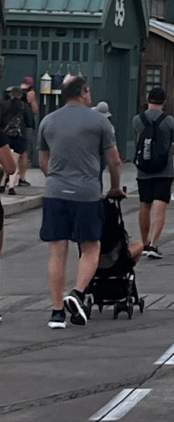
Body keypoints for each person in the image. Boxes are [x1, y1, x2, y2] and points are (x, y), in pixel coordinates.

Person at [38, 76, 125, 328]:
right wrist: (115, 188)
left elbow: (44, 161)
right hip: (87, 193)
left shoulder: (48, 121)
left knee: (57, 252)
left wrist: (56, 179)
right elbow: (114, 160)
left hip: (55, 192)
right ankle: (76, 293)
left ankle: (56, 313)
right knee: (91, 247)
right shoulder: (99, 121)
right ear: (84, 93)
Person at [132, 87, 174, 259]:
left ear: (148, 100)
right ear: (164, 102)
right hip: (164, 169)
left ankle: (144, 242)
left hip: (144, 168)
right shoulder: (169, 121)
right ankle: (154, 244)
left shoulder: (137, 120)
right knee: (160, 205)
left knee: (144, 205)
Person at [0, 88, 35, 194]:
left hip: (5, 135)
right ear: (21, 95)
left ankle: (1, 184)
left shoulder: (5, 105)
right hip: (19, 136)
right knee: (14, 161)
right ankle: (11, 186)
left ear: (11, 94)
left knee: (4, 161)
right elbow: (30, 122)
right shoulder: (25, 106)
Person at [17, 76, 39, 186]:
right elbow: (35, 110)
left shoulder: (13, 93)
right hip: (26, 125)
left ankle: (8, 178)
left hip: (13, 125)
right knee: (24, 152)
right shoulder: (30, 94)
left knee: (14, 152)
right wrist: (32, 100)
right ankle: (22, 177)